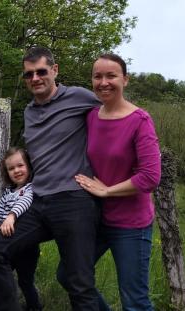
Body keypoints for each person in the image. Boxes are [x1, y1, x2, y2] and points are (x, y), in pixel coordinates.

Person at [0, 46, 102, 311]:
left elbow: (115, 115)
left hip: (73, 200)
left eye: (41, 72)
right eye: (28, 74)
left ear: (55, 70)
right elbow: (33, 158)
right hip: (38, 202)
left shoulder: (79, 97)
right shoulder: (29, 112)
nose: (34, 78)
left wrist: (110, 180)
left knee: (78, 282)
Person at [74, 53, 161, 310]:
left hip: (131, 224)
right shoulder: (90, 116)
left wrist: (108, 191)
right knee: (70, 276)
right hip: (96, 220)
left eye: (111, 75)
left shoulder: (140, 121)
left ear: (125, 79)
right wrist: (1, 157)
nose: (103, 82)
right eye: (97, 76)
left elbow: (150, 177)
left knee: (134, 301)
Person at [0, 147, 43, 311]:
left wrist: (12, 216)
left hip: (27, 247)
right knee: (2, 276)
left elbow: (24, 202)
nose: (16, 170)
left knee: (25, 281)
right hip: (7, 244)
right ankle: (5, 305)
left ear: (29, 166)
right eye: (11, 168)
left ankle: (35, 307)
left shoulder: (31, 188)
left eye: (20, 165)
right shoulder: (7, 193)